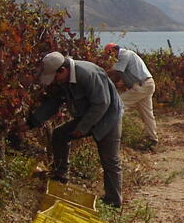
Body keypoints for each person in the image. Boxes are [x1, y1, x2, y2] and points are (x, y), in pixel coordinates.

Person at [26, 51, 124, 208]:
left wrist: (82, 127)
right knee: (60, 135)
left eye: (55, 77)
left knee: (109, 160)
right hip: (87, 115)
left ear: (63, 70)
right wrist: (32, 122)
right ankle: (60, 175)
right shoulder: (63, 80)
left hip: (108, 117)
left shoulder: (87, 73)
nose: (54, 81)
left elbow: (102, 104)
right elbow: (53, 103)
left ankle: (113, 201)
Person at [104, 43, 158, 147]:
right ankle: (153, 139)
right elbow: (119, 76)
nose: (111, 57)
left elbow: (116, 72)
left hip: (142, 85)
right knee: (147, 114)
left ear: (114, 50)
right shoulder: (126, 56)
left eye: (110, 54)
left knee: (118, 104)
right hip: (147, 84)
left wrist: (100, 74)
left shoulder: (124, 55)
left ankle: (112, 135)